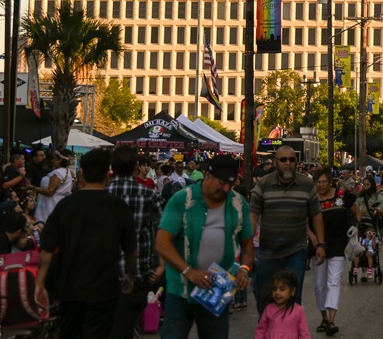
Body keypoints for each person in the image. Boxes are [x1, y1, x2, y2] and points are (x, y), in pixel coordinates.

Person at [36, 148, 137, 339]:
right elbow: (131, 249)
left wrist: (40, 282)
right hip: (104, 290)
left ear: (82, 173)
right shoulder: (117, 206)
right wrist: (130, 276)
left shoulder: (66, 205)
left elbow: (47, 248)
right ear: (108, 174)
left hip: (69, 288)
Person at [156, 154, 254, 339]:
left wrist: (244, 268)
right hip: (181, 289)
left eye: (231, 185)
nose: (226, 189)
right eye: (222, 183)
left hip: (216, 291)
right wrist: (189, 271)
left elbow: (247, 244)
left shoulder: (238, 204)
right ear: (207, 176)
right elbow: (162, 242)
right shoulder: (183, 199)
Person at [251, 145, 326, 309]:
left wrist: (320, 244)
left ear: (296, 162)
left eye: (292, 159)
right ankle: (268, 327)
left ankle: (289, 330)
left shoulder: (306, 184)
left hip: (296, 250)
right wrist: (247, 246)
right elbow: (253, 215)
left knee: (293, 294)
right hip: (268, 251)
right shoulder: (264, 184)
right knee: (264, 293)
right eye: (283, 159)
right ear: (276, 162)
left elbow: (316, 214)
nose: (288, 163)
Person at [108, 145, 165, 339]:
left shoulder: (101, 195)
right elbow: (164, 232)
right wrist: (161, 266)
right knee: (126, 326)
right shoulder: (149, 195)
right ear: (135, 166)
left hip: (103, 274)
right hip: (139, 274)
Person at [313, 169, 359, 337]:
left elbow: (357, 212)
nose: (321, 185)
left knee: (334, 282)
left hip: (339, 246)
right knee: (319, 285)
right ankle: (323, 318)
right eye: (318, 182)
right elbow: (305, 220)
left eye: (324, 182)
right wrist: (312, 238)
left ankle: (332, 320)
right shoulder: (312, 200)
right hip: (319, 247)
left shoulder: (342, 196)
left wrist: (355, 228)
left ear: (330, 181)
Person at [254, 267, 310, 339]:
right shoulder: (269, 308)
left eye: (282, 289)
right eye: (274, 289)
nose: (277, 293)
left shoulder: (298, 310)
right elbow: (261, 330)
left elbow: (304, 333)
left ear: (293, 291)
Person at [33, 149, 74, 223]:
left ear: (60, 160)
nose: (52, 161)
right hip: (57, 202)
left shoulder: (58, 173)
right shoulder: (66, 171)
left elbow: (50, 191)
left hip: (51, 204)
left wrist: (33, 187)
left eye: (54, 159)